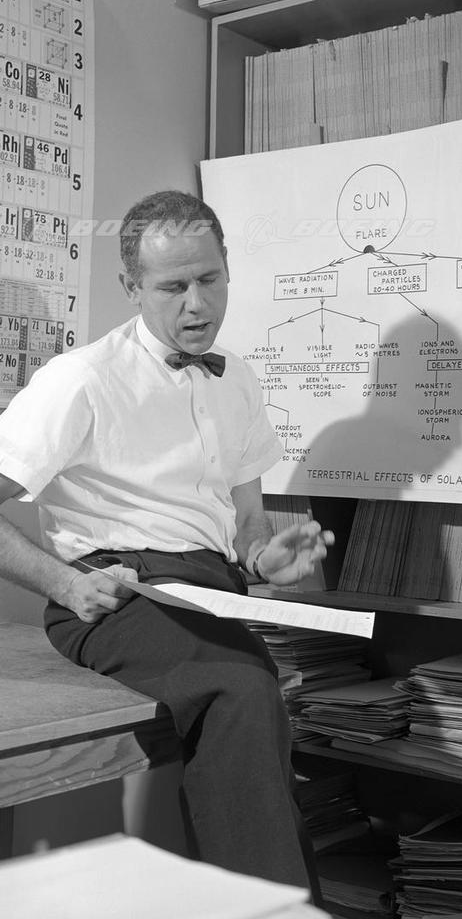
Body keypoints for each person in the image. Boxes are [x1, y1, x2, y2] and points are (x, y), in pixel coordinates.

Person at [0, 190, 333, 896]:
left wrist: (261, 554)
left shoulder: (237, 377)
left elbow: (246, 516)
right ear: (132, 287)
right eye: (172, 287)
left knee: (256, 698)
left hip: (211, 590)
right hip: (115, 593)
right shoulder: (81, 379)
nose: (196, 304)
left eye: (209, 279)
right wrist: (64, 584)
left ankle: (256, 902)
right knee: (240, 688)